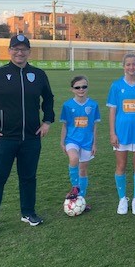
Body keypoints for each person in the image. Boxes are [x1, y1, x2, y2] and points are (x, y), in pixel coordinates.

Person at [0, 34, 54, 238]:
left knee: (28, 178)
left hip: (31, 139)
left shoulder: (38, 74)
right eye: (15, 48)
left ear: (29, 51)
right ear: (9, 51)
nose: (20, 52)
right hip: (3, 139)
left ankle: (28, 213)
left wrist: (47, 121)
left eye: (23, 48)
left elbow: (49, 99)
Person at [107, 53, 135, 215]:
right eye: (128, 64)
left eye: (134, 64)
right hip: (121, 132)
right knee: (121, 166)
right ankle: (122, 199)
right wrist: (112, 133)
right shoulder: (116, 86)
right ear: (123, 66)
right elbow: (112, 111)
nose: (131, 67)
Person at [59, 75, 101, 210]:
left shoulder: (93, 105)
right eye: (77, 87)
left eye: (84, 86)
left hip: (87, 142)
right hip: (72, 140)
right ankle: (75, 187)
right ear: (72, 89)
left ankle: (80, 199)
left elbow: (94, 126)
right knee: (74, 158)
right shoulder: (67, 105)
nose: (81, 89)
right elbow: (65, 126)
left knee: (83, 170)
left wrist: (94, 144)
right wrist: (62, 142)